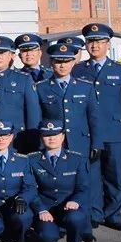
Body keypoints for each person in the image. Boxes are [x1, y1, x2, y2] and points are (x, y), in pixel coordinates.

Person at [71, 23, 121, 232]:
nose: (95, 46)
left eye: (99, 42)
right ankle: (95, 213)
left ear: (108, 44)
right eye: (91, 42)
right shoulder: (78, 69)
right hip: (88, 132)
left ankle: (113, 215)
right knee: (92, 174)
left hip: (113, 131)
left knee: (113, 174)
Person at [38, 41, 101, 227]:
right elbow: (38, 119)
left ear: (73, 62)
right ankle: (57, 221)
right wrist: (41, 144)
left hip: (80, 143)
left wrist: (97, 143)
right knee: (55, 181)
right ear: (51, 62)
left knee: (85, 182)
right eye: (58, 61)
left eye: (66, 61)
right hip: (54, 142)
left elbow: (94, 118)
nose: (62, 65)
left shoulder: (85, 86)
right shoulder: (41, 87)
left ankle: (85, 224)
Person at [29, 121, 91, 242]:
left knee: (76, 217)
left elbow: (83, 187)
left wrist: (75, 201)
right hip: (46, 210)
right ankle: (51, 231)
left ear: (62, 137)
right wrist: (41, 209)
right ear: (41, 137)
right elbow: (30, 189)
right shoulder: (32, 160)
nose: (51, 138)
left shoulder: (76, 159)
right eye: (47, 135)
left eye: (55, 135)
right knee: (48, 238)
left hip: (68, 208)